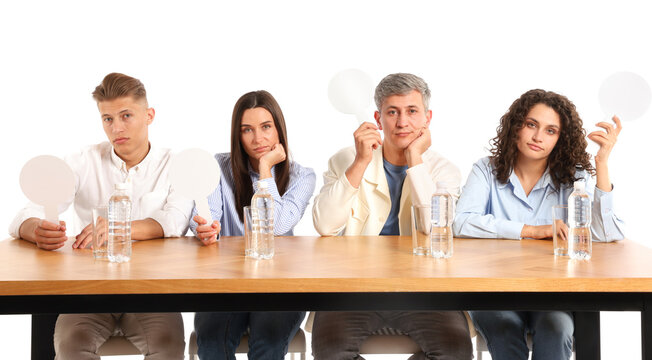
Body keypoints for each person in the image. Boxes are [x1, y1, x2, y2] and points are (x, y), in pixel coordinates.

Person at [9, 73, 192, 359]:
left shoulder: (174, 163)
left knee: (167, 345)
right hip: (90, 292)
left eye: (126, 115)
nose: (116, 127)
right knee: (70, 345)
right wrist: (34, 229)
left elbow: (175, 221)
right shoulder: (84, 161)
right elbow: (28, 212)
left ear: (149, 115)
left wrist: (120, 228)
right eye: (107, 119)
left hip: (151, 292)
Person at [453, 89, 625, 360]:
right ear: (516, 126)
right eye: (531, 124)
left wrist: (602, 164)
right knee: (503, 326)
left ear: (560, 138)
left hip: (554, 294)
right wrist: (531, 231)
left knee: (555, 327)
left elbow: (605, 234)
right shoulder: (486, 169)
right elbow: (460, 222)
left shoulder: (573, 178)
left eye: (550, 131)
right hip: (494, 292)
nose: (537, 137)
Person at [311, 73, 472, 360]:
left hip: (425, 292)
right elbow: (324, 224)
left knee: (455, 351)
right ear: (378, 117)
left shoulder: (444, 170)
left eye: (412, 111)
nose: (402, 123)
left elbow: (437, 230)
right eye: (392, 112)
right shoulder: (345, 159)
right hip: (353, 289)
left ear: (427, 117)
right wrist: (361, 162)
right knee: (331, 351)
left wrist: (415, 160)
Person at [190, 90, 316, 360]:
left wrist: (265, 169)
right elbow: (205, 215)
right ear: (238, 135)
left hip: (281, 286)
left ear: (279, 129)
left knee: (267, 347)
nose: (258, 138)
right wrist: (204, 228)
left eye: (266, 127)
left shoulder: (301, 177)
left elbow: (277, 226)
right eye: (247, 130)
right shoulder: (219, 167)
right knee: (213, 345)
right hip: (226, 283)